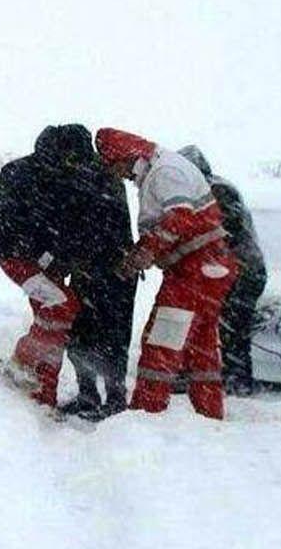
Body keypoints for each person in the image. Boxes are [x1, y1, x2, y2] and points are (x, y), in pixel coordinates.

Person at [95, 127, 237, 419]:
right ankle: (210, 417)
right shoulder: (162, 169)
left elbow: (179, 219)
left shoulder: (164, 172)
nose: (120, 175)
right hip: (208, 269)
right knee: (202, 350)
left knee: (160, 343)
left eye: (116, 167)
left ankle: (146, 415)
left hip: (194, 272)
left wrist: (144, 252)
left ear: (128, 156)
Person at [0, 125, 96, 408]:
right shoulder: (19, 172)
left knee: (53, 323)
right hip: (16, 258)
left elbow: (74, 225)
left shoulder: (72, 176)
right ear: (63, 152)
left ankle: (43, 394)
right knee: (61, 306)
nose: (78, 166)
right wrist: (37, 250)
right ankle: (24, 362)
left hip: (53, 263)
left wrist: (67, 254)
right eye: (74, 159)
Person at [180, 145, 265, 395]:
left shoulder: (218, 191)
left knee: (234, 328)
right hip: (235, 269)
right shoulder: (212, 188)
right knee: (215, 323)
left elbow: (222, 233)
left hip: (244, 271)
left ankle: (237, 380)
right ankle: (215, 374)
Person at [61, 144, 137, 420]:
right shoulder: (107, 178)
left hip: (100, 271)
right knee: (111, 335)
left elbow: (81, 229)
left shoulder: (86, 179)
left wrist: (73, 258)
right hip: (115, 271)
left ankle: (95, 396)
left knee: (88, 333)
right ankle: (109, 396)